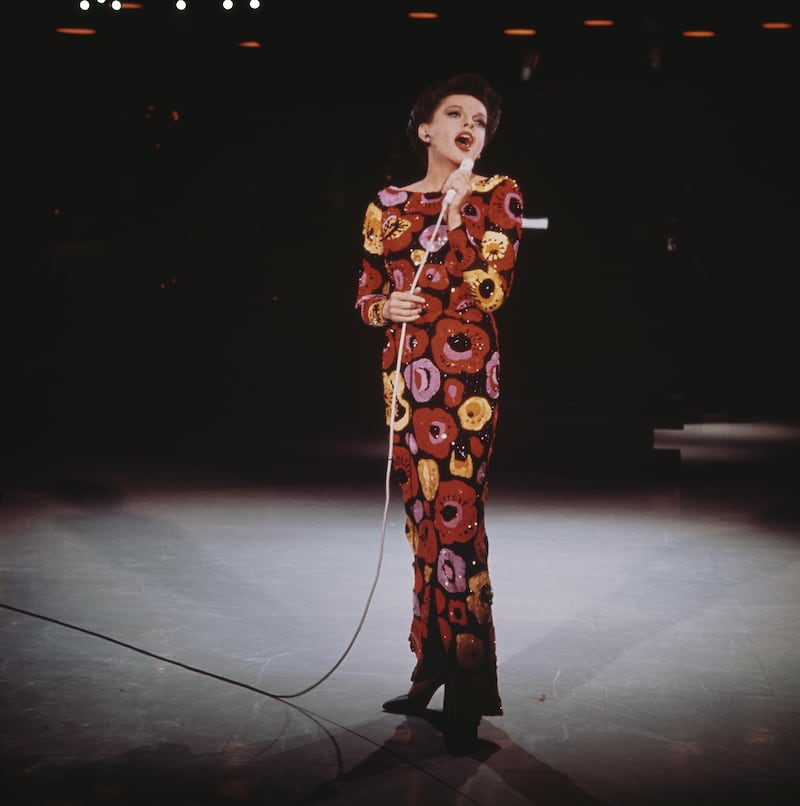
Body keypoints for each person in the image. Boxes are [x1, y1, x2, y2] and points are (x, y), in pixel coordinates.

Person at [354, 72, 524, 753]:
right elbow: (367, 291)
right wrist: (382, 308)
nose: (468, 126)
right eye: (456, 114)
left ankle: (469, 689)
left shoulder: (498, 194)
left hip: (465, 387)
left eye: (479, 121)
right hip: (405, 381)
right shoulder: (387, 203)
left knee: (457, 523)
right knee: (423, 528)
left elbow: (490, 289)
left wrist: (456, 213)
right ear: (425, 129)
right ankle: (430, 668)